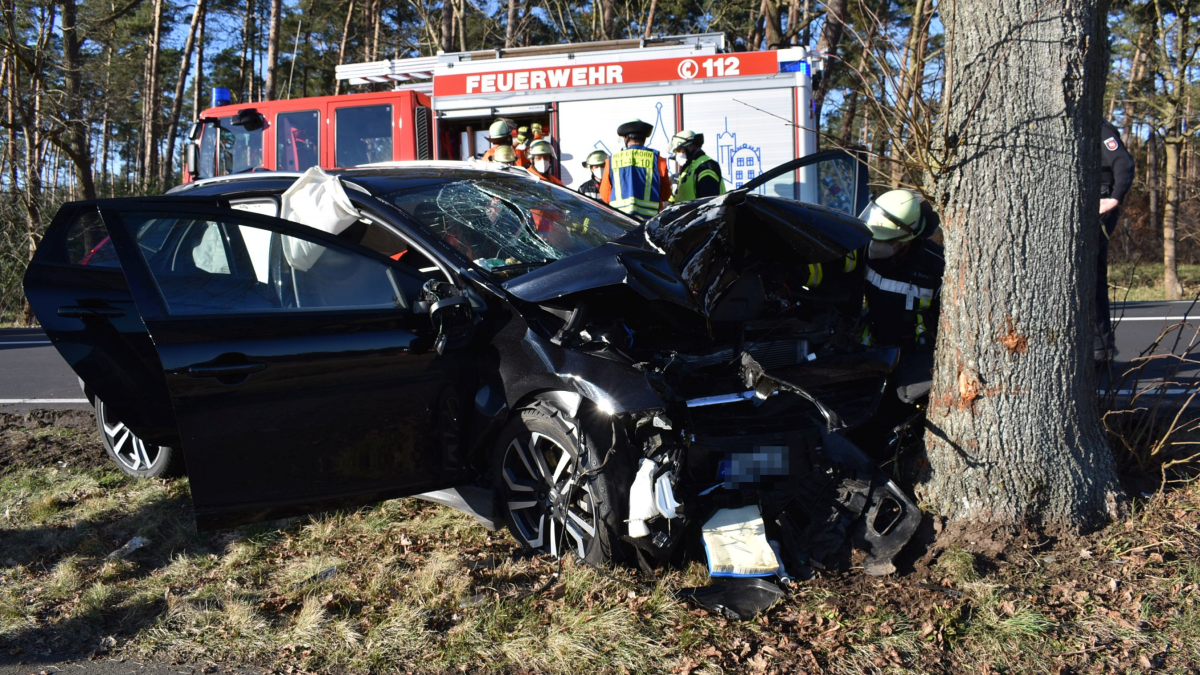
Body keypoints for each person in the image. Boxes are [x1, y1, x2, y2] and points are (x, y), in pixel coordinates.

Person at [860, 189, 944, 403]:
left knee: (902, 401)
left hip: (915, 357)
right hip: (872, 349)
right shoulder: (861, 247)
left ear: (906, 240)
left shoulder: (935, 266)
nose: (876, 247)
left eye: (885, 242)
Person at [1097, 120, 1135, 360]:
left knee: (1093, 274)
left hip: (1100, 205)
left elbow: (1123, 163)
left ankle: (1101, 345)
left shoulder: (1100, 128)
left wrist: (1115, 197)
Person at [599, 119, 672, 219]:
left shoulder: (612, 160)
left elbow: (605, 195)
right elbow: (665, 195)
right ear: (644, 138)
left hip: (620, 218)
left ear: (625, 138)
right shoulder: (658, 159)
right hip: (649, 220)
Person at [668, 130, 725, 202]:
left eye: (679, 150)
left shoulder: (705, 166)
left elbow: (708, 202)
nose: (678, 155)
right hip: (688, 213)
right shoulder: (689, 168)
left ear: (691, 146)